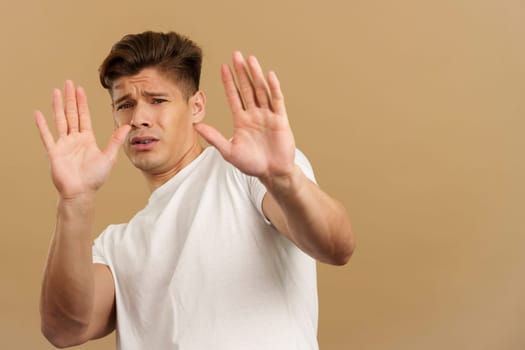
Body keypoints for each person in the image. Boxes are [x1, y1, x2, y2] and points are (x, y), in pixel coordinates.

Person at [35, 31, 355, 350]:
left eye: (157, 100)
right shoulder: (116, 246)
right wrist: (74, 201)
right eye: (125, 105)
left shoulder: (251, 172)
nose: (138, 119)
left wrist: (284, 179)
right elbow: (63, 330)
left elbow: (336, 246)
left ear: (196, 106)